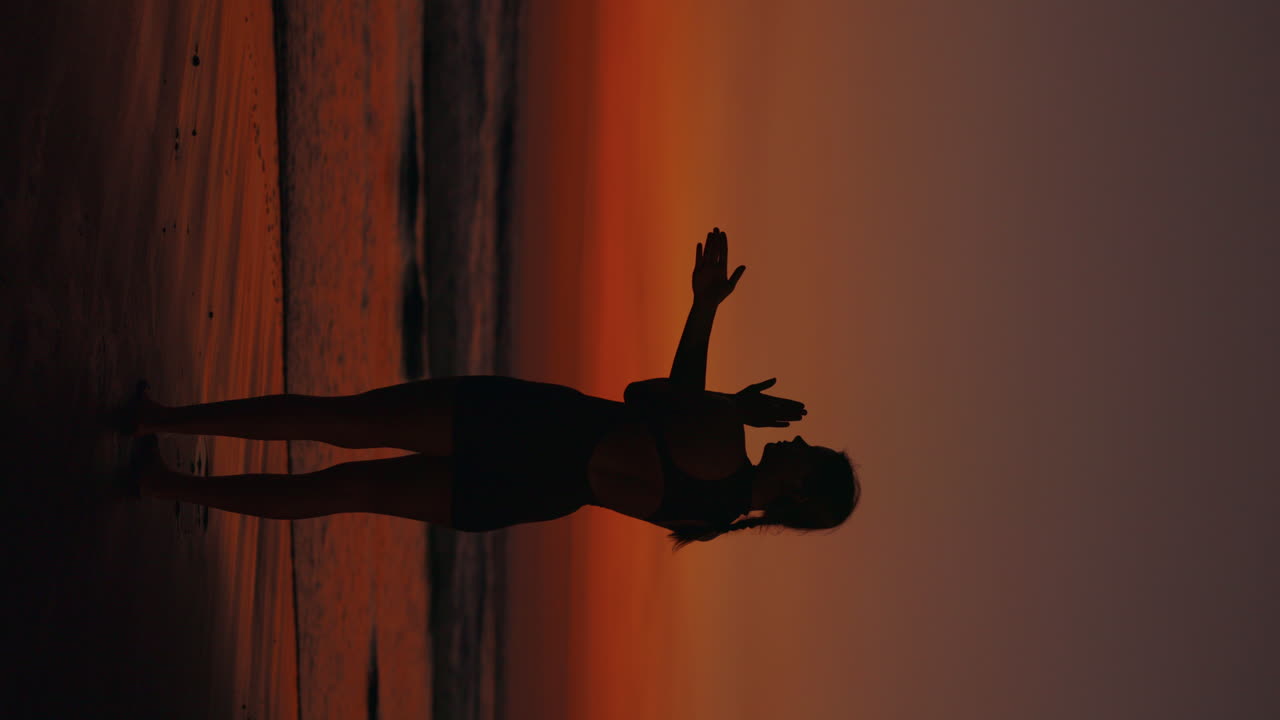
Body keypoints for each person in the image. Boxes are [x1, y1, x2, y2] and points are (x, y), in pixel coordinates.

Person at [121, 228, 859, 549]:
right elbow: (663, 421)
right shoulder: (709, 523)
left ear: (798, 490)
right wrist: (716, 403)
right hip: (527, 496)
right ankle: (164, 488)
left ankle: (161, 418)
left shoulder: (729, 438)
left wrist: (704, 312)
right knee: (345, 492)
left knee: (339, 421)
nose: (796, 437)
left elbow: (647, 395)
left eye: (806, 452)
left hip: (526, 426)